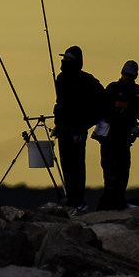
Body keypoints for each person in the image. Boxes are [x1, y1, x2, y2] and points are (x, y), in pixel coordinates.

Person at [51, 45, 106, 209]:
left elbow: (103, 100)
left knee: (77, 166)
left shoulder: (87, 80)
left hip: (78, 130)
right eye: (63, 59)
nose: (63, 61)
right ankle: (71, 198)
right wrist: (58, 125)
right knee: (66, 165)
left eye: (67, 59)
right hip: (63, 130)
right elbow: (60, 104)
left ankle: (78, 200)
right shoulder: (61, 79)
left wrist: (88, 122)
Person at [94, 60, 139, 210]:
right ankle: (108, 200)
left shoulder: (137, 92)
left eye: (131, 76)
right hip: (109, 138)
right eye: (126, 75)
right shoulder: (112, 89)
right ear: (122, 73)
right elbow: (101, 110)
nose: (128, 78)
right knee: (109, 169)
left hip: (125, 138)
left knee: (123, 169)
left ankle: (118, 199)